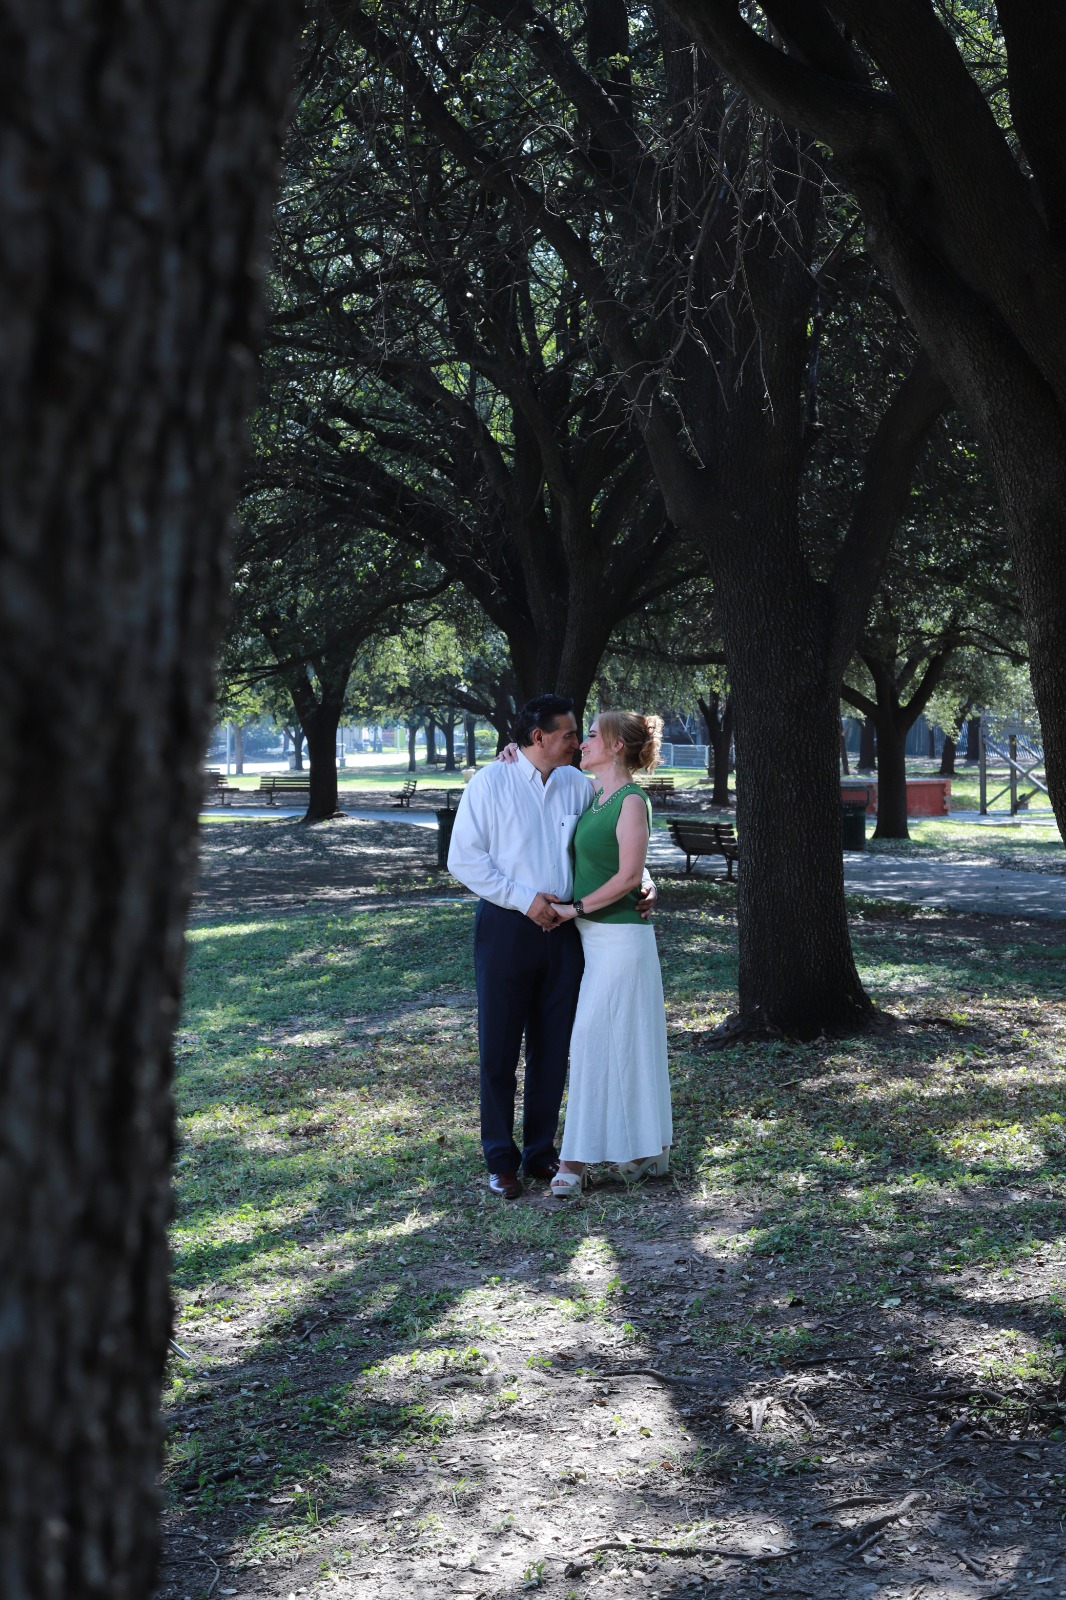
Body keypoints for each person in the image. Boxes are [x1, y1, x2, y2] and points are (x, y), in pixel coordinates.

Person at [447, 694, 654, 1198]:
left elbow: (611, 838)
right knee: (498, 1049)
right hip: (507, 927)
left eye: (580, 734)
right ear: (538, 737)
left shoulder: (576, 784)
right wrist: (525, 901)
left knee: (553, 1047)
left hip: (565, 931)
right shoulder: (490, 782)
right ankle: (501, 1160)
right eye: (568, 734)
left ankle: (540, 1151)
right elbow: (464, 859)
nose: (576, 742)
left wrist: (647, 879)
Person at [548, 711, 672, 1199]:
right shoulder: (593, 794)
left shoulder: (632, 800)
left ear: (617, 746)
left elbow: (627, 876)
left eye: (593, 735)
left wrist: (572, 908)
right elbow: (630, 869)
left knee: (592, 1041)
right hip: (592, 941)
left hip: (621, 941)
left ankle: (573, 1163)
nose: (583, 742)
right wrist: (511, 750)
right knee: (621, 1043)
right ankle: (645, 1151)